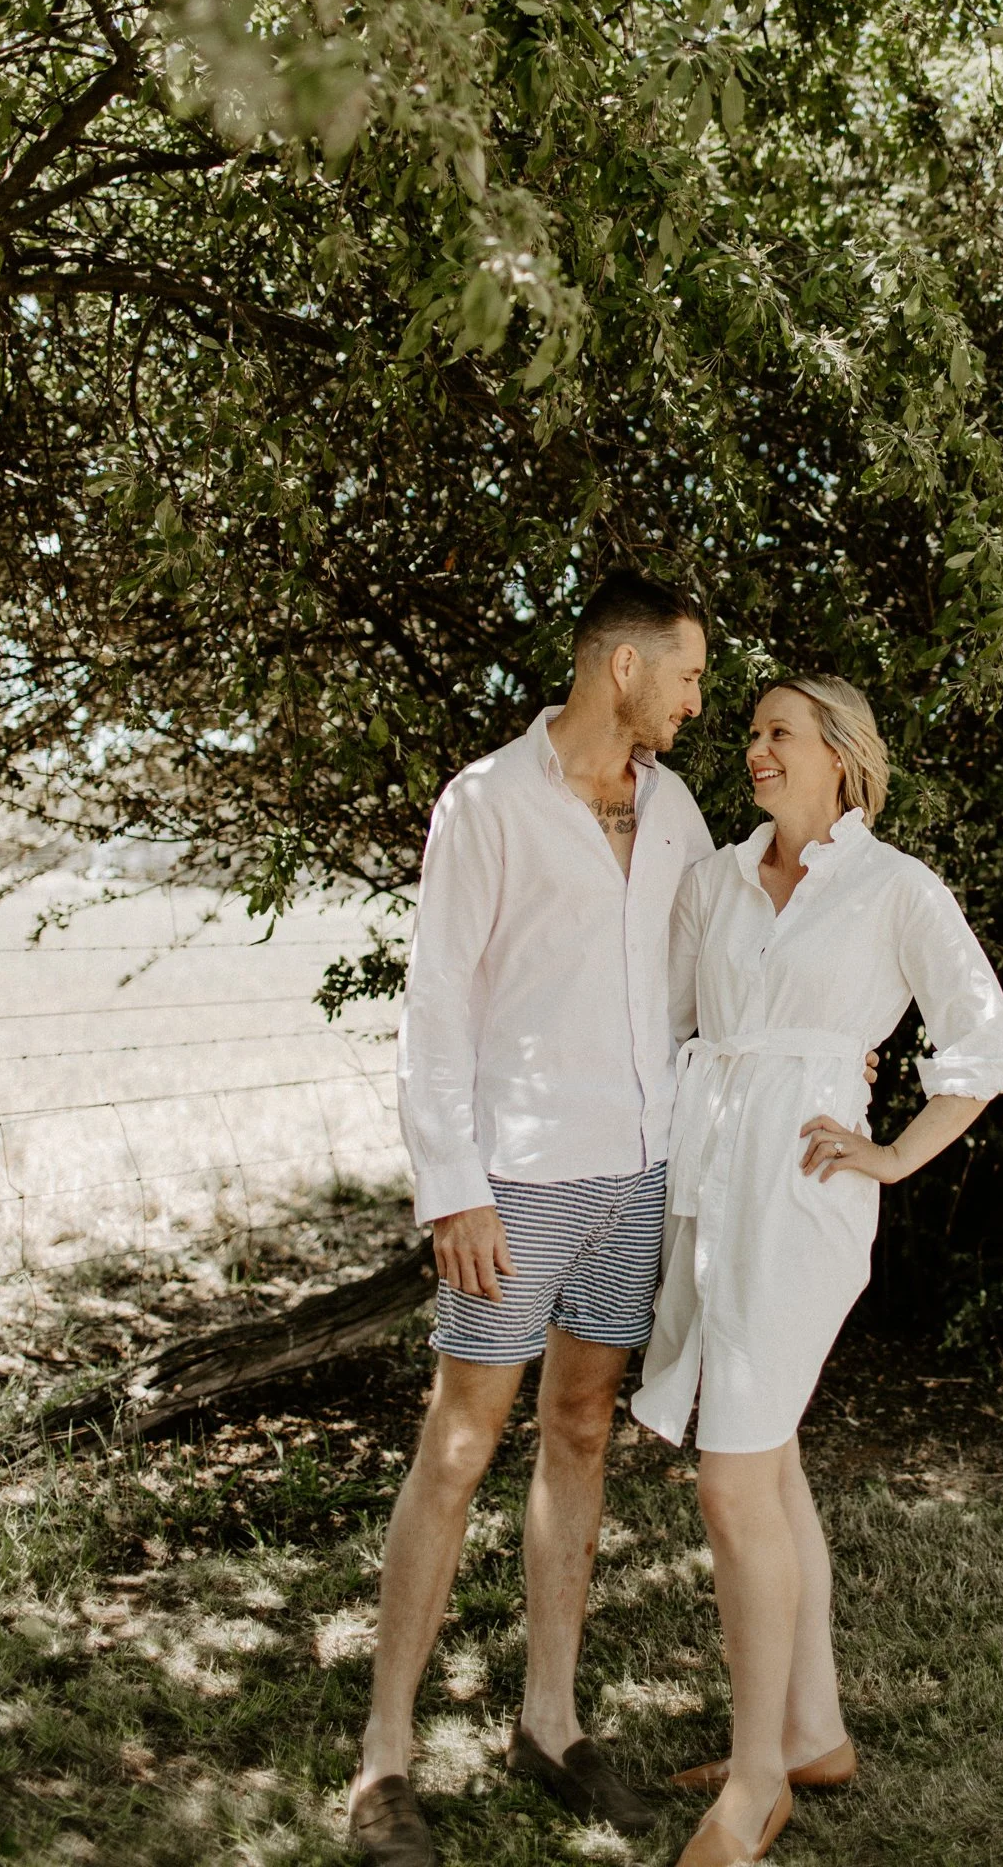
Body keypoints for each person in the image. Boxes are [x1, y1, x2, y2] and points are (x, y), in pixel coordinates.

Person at [348, 570, 714, 1864]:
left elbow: (708, 970)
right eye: (687, 675)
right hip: (514, 1183)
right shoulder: (487, 801)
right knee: (458, 1446)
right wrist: (451, 1183)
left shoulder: (674, 810)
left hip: (637, 1174)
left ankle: (549, 1724)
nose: (695, 701)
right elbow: (437, 1000)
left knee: (580, 1429)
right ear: (623, 666)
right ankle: (384, 1758)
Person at [632, 675, 1003, 1867]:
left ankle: (757, 1781)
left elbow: (984, 1041)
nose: (754, 748)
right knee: (773, 1456)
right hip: (709, 1184)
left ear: (840, 755)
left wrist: (893, 1150)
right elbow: (670, 1024)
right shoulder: (715, 880)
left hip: (803, 1199)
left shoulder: (896, 887)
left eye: (778, 733)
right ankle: (812, 1732)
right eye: (750, 732)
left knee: (732, 1479)